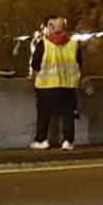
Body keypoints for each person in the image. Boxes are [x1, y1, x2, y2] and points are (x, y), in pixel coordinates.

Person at [29, 15, 83, 150]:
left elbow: (35, 63)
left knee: (44, 114)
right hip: (68, 85)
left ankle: (42, 140)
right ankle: (68, 141)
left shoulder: (44, 43)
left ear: (51, 27)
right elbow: (79, 62)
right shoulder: (73, 44)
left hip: (46, 86)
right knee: (68, 114)